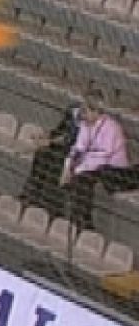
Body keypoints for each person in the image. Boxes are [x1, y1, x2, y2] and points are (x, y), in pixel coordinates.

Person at [60, 90, 133, 230]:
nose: (82, 115)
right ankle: (78, 220)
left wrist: (78, 168)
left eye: (85, 111)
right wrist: (67, 166)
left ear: (95, 112)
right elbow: (79, 147)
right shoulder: (85, 124)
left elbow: (103, 156)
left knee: (83, 178)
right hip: (92, 166)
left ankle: (85, 224)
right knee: (78, 179)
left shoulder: (111, 127)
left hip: (112, 168)